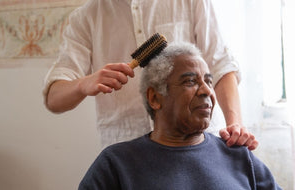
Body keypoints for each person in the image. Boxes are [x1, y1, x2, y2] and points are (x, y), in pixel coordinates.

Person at [42, 0, 258, 149]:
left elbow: (221, 65)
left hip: (196, 144)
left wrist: (235, 124)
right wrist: (83, 84)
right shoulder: (86, 17)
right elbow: (54, 98)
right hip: (127, 154)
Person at [78, 42, 281, 190]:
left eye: (209, 82)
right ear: (155, 98)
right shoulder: (116, 164)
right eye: (190, 82)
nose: (206, 91)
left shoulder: (238, 155)